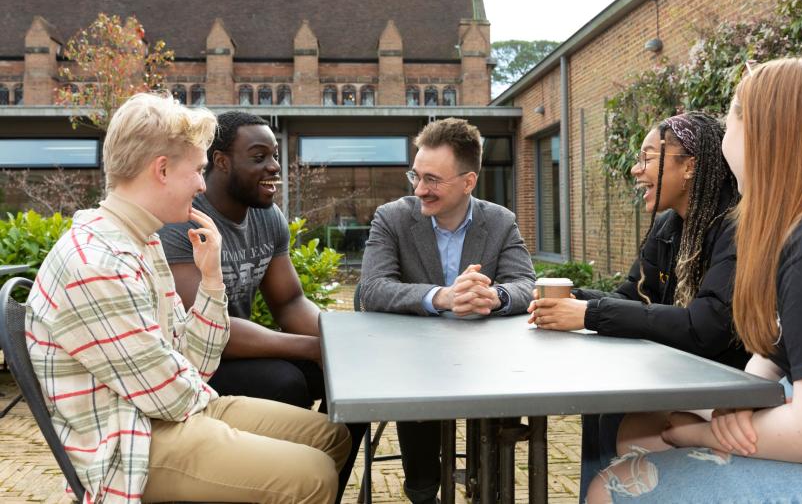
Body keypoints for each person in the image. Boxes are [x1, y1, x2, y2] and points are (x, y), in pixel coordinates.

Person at [587, 58, 802, 502]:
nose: (724, 139)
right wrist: (734, 405)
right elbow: (780, 351)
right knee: (641, 431)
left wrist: (704, 435)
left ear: (759, 133)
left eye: (729, 120)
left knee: (610, 488)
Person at [24, 93, 350, 504]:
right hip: (130, 441)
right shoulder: (97, 262)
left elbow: (195, 359)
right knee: (313, 475)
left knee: (331, 437)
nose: (201, 183)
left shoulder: (141, 241)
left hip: (169, 409)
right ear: (161, 170)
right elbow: (171, 394)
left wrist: (211, 279)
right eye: (197, 169)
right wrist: (214, 407)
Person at [527, 112, 746, 498]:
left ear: (690, 166)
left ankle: (608, 491)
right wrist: (573, 299)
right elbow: (630, 298)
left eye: (647, 158)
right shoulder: (669, 227)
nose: (634, 169)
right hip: (675, 383)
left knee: (612, 408)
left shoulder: (735, 228)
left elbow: (706, 327)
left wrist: (590, 313)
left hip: (729, 395)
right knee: (603, 401)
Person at [158, 110, 364, 500]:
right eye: (259, 157)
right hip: (194, 363)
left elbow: (289, 302)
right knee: (285, 382)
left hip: (242, 349)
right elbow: (202, 328)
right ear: (221, 162)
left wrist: (339, 340)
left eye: (274, 156)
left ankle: (319, 490)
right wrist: (310, 347)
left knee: (353, 379)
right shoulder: (180, 223)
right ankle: (270, 486)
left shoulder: (268, 218)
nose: (273, 167)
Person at [358, 117, 535, 504]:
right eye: (416, 176)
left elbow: (526, 285)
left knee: (502, 410)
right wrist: (443, 297)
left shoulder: (500, 221)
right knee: (416, 392)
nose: (421, 189)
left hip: (484, 364)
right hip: (413, 362)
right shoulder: (393, 218)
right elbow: (370, 290)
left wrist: (496, 296)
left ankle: (487, 484)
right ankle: (422, 491)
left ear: (469, 182)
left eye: (433, 180)